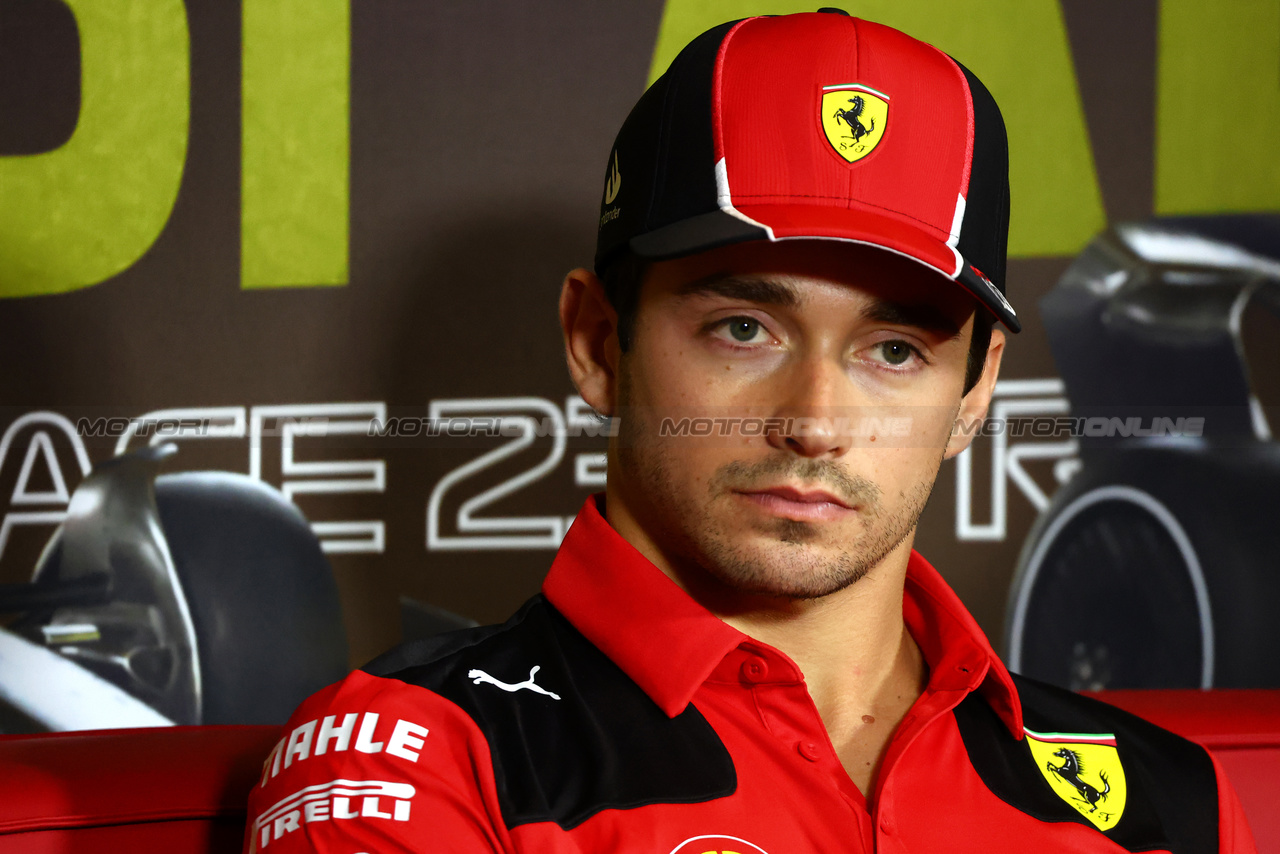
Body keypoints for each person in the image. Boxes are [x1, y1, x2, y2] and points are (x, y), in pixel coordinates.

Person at [245, 10, 1257, 853]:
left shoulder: (1163, 799)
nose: (812, 421)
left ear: (975, 388)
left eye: (892, 349)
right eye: (743, 327)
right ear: (598, 342)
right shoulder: (412, 753)